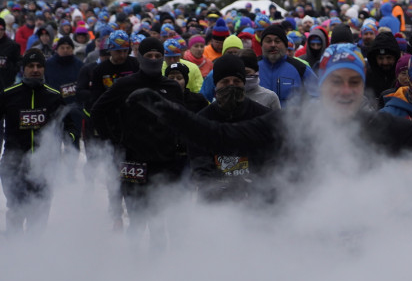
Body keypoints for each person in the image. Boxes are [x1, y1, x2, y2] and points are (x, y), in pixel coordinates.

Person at [128, 43, 412, 166]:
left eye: (353, 83)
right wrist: (167, 109)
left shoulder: (379, 127)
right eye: (336, 82)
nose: (345, 91)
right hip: (292, 249)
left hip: (361, 257)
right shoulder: (288, 125)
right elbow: (219, 136)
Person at [90, 37, 187, 246]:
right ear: (140, 58)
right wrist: (114, 140)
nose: (153, 59)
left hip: (165, 161)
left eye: (158, 56)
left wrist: (179, 147)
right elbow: (97, 111)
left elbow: (182, 120)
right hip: (133, 161)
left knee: (160, 221)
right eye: (149, 56)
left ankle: (157, 270)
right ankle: (133, 266)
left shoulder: (171, 87)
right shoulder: (126, 84)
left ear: (163, 59)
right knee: (137, 219)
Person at [0, 49, 73, 233]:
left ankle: (36, 255)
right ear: (23, 69)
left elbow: (69, 127)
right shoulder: (8, 95)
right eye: (31, 66)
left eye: (39, 66)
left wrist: (68, 145)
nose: (35, 70)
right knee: (16, 211)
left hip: (45, 167)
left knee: (39, 215)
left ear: (44, 69)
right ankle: (15, 254)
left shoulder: (54, 96)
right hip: (14, 164)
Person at [189, 54, 274, 204]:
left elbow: (271, 161)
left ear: (244, 84)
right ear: (216, 84)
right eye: (225, 81)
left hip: (256, 200)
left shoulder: (263, 116)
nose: (231, 86)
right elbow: (199, 163)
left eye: (237, 81)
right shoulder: (202, 120)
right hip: (215, 202)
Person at [258, 25, 318, 107]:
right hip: (257, 119)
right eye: (268, 41)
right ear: (261, 45)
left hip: (290, 119)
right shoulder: (252, 67)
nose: (273, 45)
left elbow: (317, 96)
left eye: (277, 41)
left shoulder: (300, 69)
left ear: (285, 46)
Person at [364, 31, 401, 109]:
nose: (385, 62)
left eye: (389, 58)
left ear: (395, 58)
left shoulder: (401, 76)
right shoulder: (368, 76)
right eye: (380, 58)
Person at [0, 17, 22, 88]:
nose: (0, 32)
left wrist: (11, 70)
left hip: (6, 84)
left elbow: (19, 62)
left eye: (1, 29)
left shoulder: (13, 45)